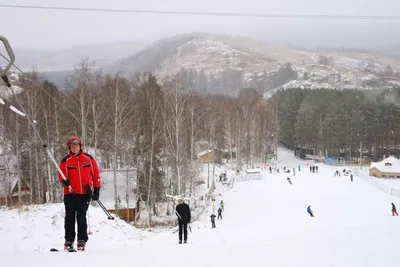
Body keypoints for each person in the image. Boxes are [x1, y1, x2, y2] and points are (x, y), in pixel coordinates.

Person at [59, 136, 101, 251]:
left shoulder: (88, 159)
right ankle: (69, 240)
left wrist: (97, 189)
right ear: (69, 147)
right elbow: (61, 175)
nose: (75, 147)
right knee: (69, 218)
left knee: (81, 217)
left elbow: (96, 174)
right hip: (70, 194)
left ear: (80, 146)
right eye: (72, 146)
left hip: (84, 194)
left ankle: (82, 240)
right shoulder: (66, 161)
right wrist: (64, 181)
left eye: (77, 145)